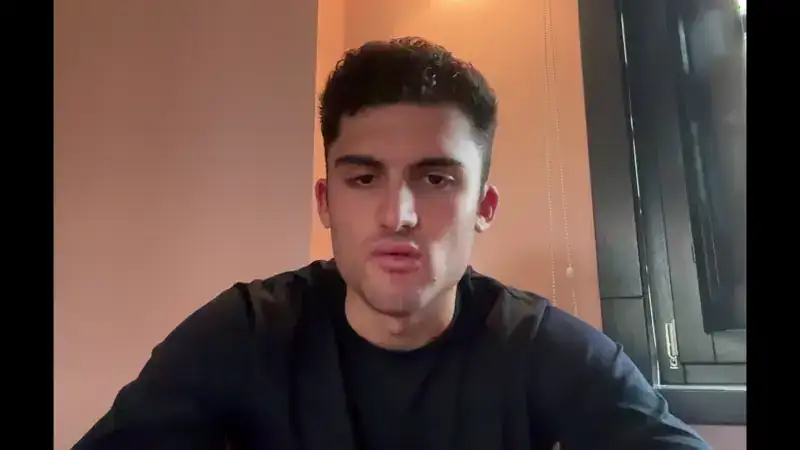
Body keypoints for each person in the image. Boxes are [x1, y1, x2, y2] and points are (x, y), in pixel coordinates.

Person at [72, 37, 711, 450]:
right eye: (363, 177)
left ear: (484, 207)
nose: (397, 214)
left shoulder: (542, 349)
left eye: (435, 178)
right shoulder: (242, 335)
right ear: (326, 203)